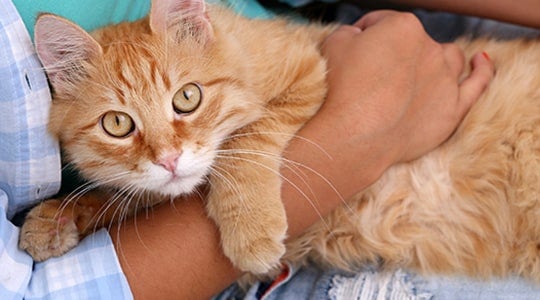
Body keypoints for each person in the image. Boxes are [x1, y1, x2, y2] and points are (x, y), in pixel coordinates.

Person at [0, 0, 535, 298]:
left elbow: (306, 72)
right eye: (120, 124)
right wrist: (95, 209)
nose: (168, 152)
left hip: (490, 125)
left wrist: (241, 181)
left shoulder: (236, 49)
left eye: (185, 100)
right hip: (370, 224)